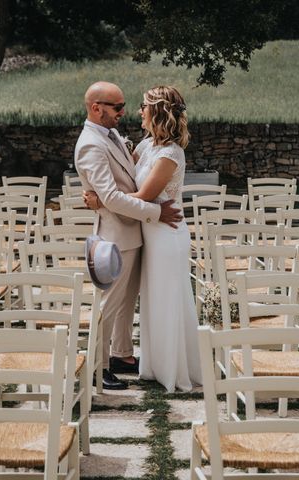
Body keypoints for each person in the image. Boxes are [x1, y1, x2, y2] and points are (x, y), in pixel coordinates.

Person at [84, 85, 202, 392]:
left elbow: (142, 195)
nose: (136, 111)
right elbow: (126, 175)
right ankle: (147, 361)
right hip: (147, 230)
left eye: (142, 106)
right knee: (150, 300)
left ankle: (172, 367)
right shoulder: (146, 144)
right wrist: (105, 198)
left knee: (166, 298)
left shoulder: (170, 153)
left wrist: (101, 201)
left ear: (157, 112)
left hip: (166, 234)